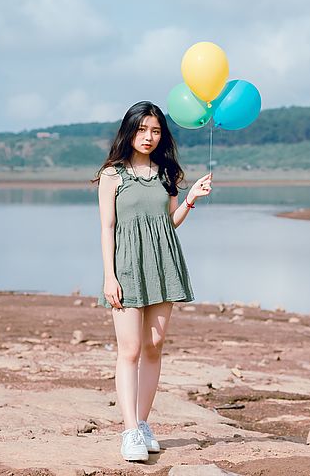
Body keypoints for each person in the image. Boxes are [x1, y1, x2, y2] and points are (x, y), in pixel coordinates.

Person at [92, 100, 212, 462]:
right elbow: (107, 229)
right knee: (129, 350)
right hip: (126, 266)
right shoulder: (112, 175)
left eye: (156, 130)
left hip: (163, 263)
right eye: (143, 129)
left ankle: (142, 423)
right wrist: (109, 276)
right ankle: (129, 432)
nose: (149, 137)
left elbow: (167, 223)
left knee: (154, 345)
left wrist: (189, 200)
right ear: (130, 131)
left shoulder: (165, 172)